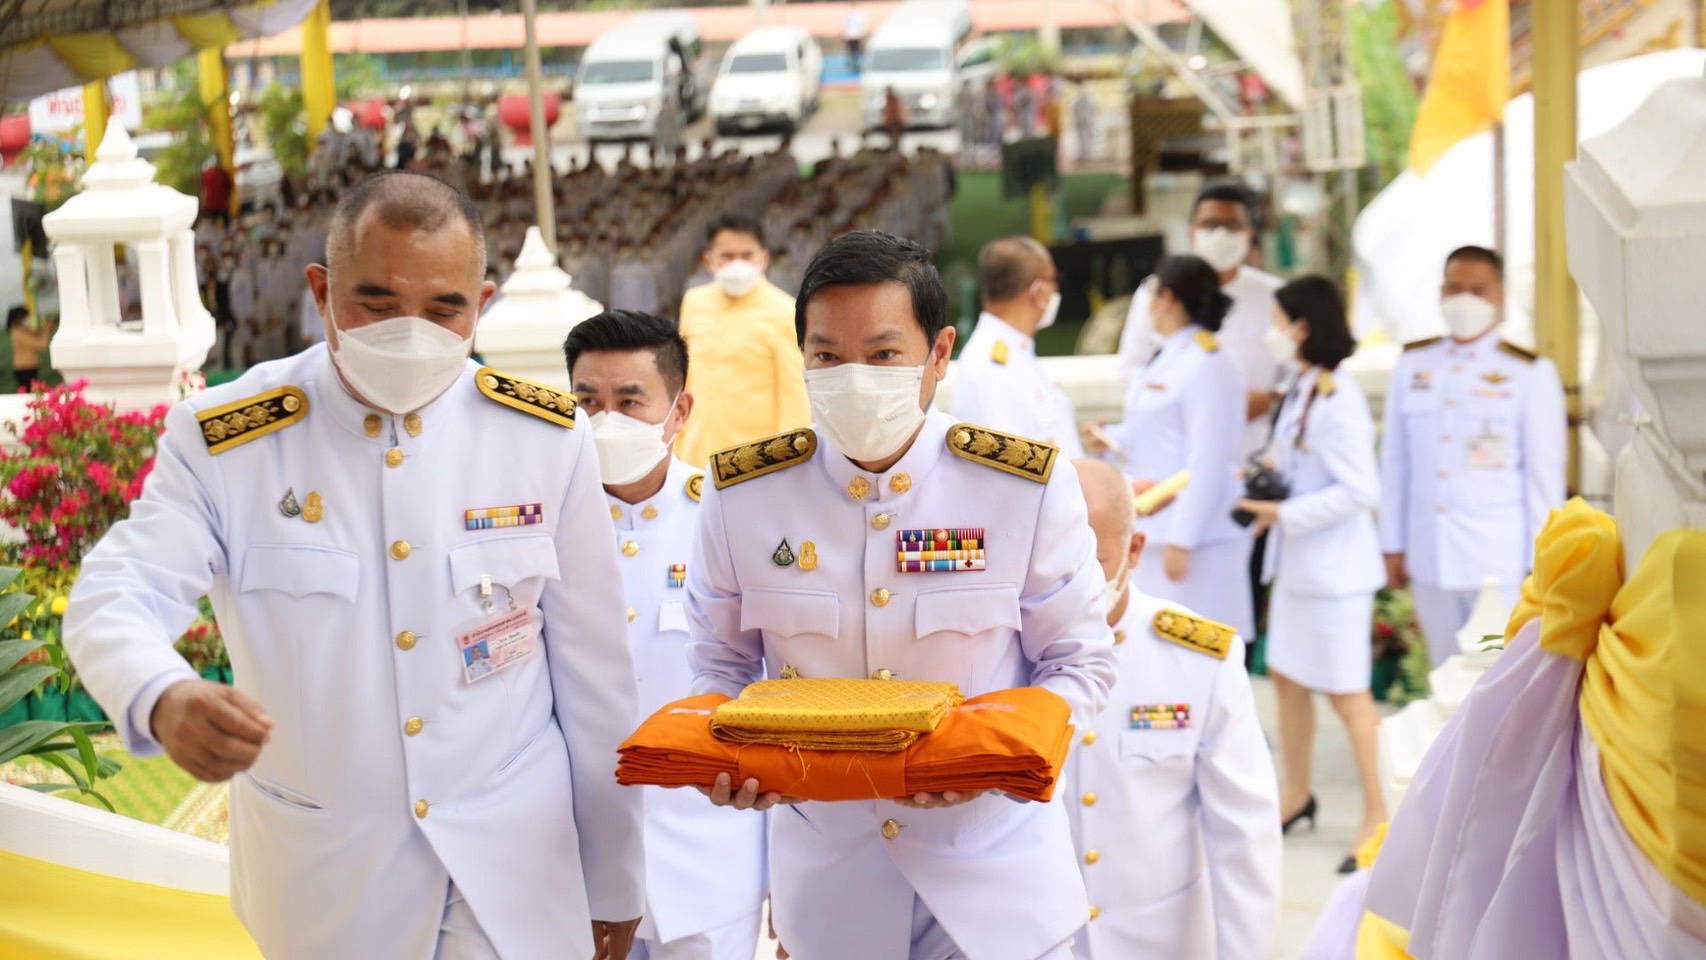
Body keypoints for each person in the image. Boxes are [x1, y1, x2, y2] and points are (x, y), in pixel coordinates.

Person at [62, 171, 645, 960]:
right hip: (327, 887)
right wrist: (160, 693)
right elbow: (117, 589)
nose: (413, 330)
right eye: (376, 302)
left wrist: (614, 879)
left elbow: (595, 678)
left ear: (483, 303)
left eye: (445, 308)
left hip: (515, 873)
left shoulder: (544, 436)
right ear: (322, 290)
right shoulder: (231, 439)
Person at [686, 230, 1117, 960]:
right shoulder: (742, 495)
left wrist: (992, 762)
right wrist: (722, 758)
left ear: (940, 353)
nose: (855, 377)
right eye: (827, 356)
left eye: (884, 355)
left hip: (999, 890)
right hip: (831, 898)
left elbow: (1080, 664)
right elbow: (717, 668)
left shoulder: (1020, 487)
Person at [564, 310, 767, 960]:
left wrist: (788, 888)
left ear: (678, 412)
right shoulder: (535, 527)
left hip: (708, 865)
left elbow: (779, 696)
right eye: (587, 402)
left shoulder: (735, 519)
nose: (606, 421)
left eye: (629, 401)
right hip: (574, 866)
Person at [1067, 458, 1281, 959]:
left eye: (1089, 559)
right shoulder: (1001, 646)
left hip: (1160, 942)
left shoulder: (1200, 658)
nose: (1067, 578)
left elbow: (1244, 837)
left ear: (1135, 550)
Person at [1238, 276, 1386, 873]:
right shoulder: (1303, 388)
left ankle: (1379, 816)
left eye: (1278, 320)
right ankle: (1295, 795)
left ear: (1301, 326)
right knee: (1288, 678)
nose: (1271, 331)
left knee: (1350, 696)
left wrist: (1285, 511)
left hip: (1335, 575)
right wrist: (1261, 480)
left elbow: (1360, 490)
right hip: (1300, 567)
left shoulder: (1339, 397)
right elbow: (1296, 460)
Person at [1379, 245, 1566, 669]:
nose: (1465, 299)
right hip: (1430, 555)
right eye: (1454, 287)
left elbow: (1543, 478)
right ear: (1441, 291)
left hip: (1497, 563)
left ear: (1499, 295)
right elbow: (1395, 464)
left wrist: (1543, 561)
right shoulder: (1414, 365)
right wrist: (1392, 542)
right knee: (1443, 674)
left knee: (1492, 675)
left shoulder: (1529, 372)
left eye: (1478, 289)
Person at [1112, 255, 1253, 639]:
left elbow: (1209, 458)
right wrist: (1112, 438)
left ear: (1169, 298)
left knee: (1204, 653)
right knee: (1163, 658)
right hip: (1156, 525)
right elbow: (1158, 432)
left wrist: (1182, 539)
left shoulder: (1209, 363)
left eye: (1153, 292)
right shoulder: (1166, 355)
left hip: (1199, 540)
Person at [671, 214, 810, 468]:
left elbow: (794, 400)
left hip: (753, 463)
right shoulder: (694, 302)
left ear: (763, 258)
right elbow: (685, 378)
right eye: (727, 256)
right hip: (695, 455)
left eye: (746, 256)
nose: (737, 264)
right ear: (708, 260)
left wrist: (784, 464)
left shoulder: (783, 310)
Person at [951, 236, 1085, 457]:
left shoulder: (1013, 354)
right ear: (1038, 291)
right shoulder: (990, 368)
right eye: (1054, 280)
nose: (1056, 290)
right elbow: (1012, 468)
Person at [8, 306, 55, 392]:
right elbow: (41, 345)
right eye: (26, 317)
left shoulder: (24, 331)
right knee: (32, 394)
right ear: (19, 318)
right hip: (24, 369)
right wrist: (47, 331)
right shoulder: (19, 334)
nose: (28, 319)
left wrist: (47, 327)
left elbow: (38, 335)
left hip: (29, 367)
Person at [200, 161, 234, 227]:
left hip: (210, 204)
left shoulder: (206, 174)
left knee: (211, 226)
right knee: (227, 225)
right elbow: (229, 189)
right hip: (222, 204)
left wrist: (203, 202)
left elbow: (204, 190)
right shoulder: (224, 173)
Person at [843, 3, 867, 75]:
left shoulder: (859, 13)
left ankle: (860, 64)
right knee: (853, 52)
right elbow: (846, 25)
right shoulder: (849, 14)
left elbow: (863, 24)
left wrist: (862, 34)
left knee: (859, 51)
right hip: (852, 36)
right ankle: (854, 65)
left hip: (857, 35)